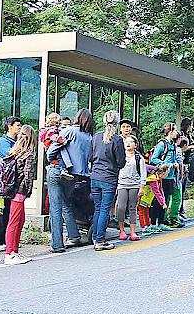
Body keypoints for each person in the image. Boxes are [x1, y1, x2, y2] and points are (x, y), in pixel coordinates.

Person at [47, 108, 94, 252]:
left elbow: (52, 149)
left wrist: (50, 158)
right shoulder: (89, 137)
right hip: (75, 176)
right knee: (66, 203)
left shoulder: (70, 131)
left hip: (58, 171)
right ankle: (74, 236)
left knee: (55, 207)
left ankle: (57, 244)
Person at [90, 110, 126, 251]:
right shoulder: (117, 140)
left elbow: (90, 157)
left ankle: (95, 237)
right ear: (117, 123)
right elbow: (121, 161)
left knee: (98, 208)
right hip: (109, 178)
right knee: (105, 209)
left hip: (95, 177)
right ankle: (100, 240)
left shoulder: (96, 137)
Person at [3, 125, 36, 265]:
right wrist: (28, 191)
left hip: (12, 189)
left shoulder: (14, 152)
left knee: (18, 220)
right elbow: (28, 175)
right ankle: (10, 253)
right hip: (20, 191)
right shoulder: (29, 153)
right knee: (15, 222)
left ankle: (14, 251)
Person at [0, 116, 21, 248]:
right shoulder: (4, 141)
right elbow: (9, 154)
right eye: (17, 125)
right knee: (5, 208)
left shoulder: (17, 139)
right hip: (6, 179)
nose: (19, 127)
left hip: (14, 179)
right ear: (10, 127)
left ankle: (10, 238)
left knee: (12, 209)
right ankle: (0, 239)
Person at [116, 135, 147, 241]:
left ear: (135, 145)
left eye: (131, 142)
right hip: (121, 184)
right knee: (121, 207)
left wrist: (142, 187)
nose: (128, 143)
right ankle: (122, 230)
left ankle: (133, 232)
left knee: (132, 208)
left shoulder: (139, 158)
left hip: (135, 185)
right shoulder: (120, 156)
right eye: (126, 142)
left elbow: (143, 173)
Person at [150, 123, 180, 229]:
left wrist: (175, 163)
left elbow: (173, 158)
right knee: (159, 200)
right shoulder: (162, 144)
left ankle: (162, 222)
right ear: (170, 131)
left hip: (170, 176)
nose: (177, 132)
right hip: (162, 176)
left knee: (166, 199)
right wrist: (165, 164)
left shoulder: (173, 145)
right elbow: (153, 159)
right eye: (175, 130)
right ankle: (153, 223)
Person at [39, 112, 73, 180]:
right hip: (53, 146)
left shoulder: (46, 129)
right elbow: (55, 138)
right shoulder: (52, 130)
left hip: (49, 147)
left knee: (58, 158)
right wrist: (64, 141)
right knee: (60, 156)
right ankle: (63, 169)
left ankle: (64, 168)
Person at [179, 118, 194, 218]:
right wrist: (192, 147)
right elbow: (182, 149)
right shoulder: (181, 135)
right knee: (180, 188)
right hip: (181, 164)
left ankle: (181, 209)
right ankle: (179, 210)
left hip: (186, 163)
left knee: (183, 189)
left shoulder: (188, 135)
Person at [138, 164, 169, 235]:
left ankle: (148, 226)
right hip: (143, 196)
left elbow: (161, 190)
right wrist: (162, 203)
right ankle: (144, 227)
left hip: (147, 197)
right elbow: (156, 192)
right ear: (162, 173)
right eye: (166, 174)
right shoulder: (153, 179)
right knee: (142, 211)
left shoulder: (158, 179)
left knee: (146, 211)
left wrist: (163, 201)